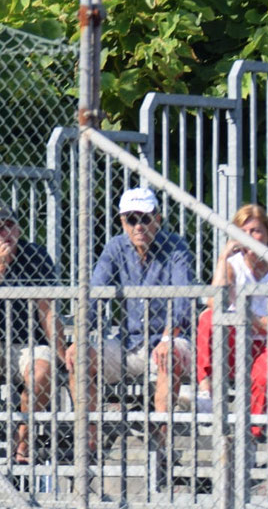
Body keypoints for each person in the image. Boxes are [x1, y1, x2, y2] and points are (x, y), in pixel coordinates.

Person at [66, 187, 196, 452]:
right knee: (80, 356)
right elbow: (93, 296)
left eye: (145, 218)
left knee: (167, 355)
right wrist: (79, 339)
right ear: (122, 221)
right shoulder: (115, 247)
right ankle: (87, 443)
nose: (138, 226)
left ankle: (161, 446)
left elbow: (183, 301)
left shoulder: (176, 247)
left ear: (157, 218)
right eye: (131, 219)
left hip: (171, 339)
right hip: (130, 344)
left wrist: (168, 338)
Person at [0, 204, 68, 463]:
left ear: (18, 229)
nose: (4, 233)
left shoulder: (36, 255)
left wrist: (64, 355)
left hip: (29, 344)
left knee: (41, 371)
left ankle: (23, 446)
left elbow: (47, 310)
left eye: (8, 225)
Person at [193, 203, 268, 440]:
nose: (250, 237)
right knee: (208, 319)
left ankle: (249, 435)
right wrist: (222, 258)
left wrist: (245, 315)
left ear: (267, 234)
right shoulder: (233, 263)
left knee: (264, 372)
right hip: (240, 340)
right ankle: (206, 390)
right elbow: (213, 302)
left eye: (256, 231)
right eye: (243, 232)